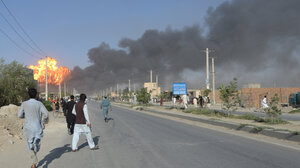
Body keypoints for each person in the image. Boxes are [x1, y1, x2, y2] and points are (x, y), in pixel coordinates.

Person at [18, 88, 48, 168]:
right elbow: (46, 114)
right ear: (36, 95)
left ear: (28, 95)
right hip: (37, 127)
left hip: (28, 128)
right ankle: (34, 162)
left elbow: (19, 115)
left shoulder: (24, 104)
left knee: (29, 144)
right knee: (37, 146)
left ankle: (33, 162)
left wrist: (26, 115)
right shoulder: (39, 104)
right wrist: (44, 121)